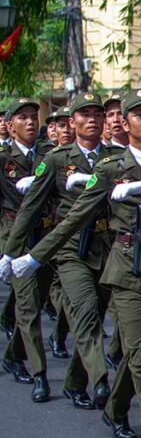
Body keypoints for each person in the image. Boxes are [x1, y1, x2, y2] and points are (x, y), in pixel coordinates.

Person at [14, 89, 141, 438]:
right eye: (137, 115)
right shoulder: (109, 170)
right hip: (124, 269)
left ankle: (116, 407)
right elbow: (74, 219)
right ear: (124, 123)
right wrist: (31, 255)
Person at [3, 92, 114, 410]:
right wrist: (10, 253)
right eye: (84, 114)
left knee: (93, 314)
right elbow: (29, 209)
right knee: (81, 310)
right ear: (73, 122)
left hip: (105, 247)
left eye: (97, 114)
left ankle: (75, 381)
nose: (92, 119)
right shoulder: (57, 159)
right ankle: (94, 379)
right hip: (66, 246)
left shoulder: (116, 157)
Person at [0, 98, 55, 400]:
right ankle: (39, 374)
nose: (31, 122)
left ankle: (12, 354)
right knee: (28, 304)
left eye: (34, 117)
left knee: (41, 292)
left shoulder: (50, 155)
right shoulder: (3, 158)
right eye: (22, 117)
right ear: (10, 126)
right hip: (14, 236)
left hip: (44, 235)